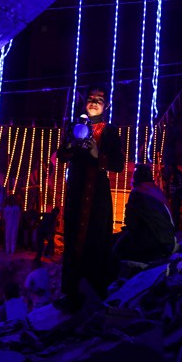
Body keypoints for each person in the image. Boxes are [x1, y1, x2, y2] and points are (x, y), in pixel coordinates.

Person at [55, 85, 123, 311]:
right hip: (75, 188)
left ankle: (95, 294)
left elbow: (118, 165)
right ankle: (72, 294)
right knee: (73, 238)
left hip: (97, 194)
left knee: (96, 239)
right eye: (91, 98)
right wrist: (69, 144)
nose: (94, 102)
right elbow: (62, 157)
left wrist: (97, 155)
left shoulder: (110, 131)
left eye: (100, 99)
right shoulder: (74, 125)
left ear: (107, 105)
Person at [114, 164, 176, 266]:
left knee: (116, 248)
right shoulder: (156, 190)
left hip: (157, 245)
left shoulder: (138, 192)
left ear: (135, 178)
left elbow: (131, 223)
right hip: (168, 241)